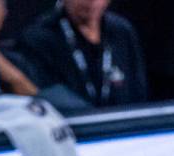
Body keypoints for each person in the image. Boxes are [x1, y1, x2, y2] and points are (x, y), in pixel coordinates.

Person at [14, 0, 148, 110]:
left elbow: (140, 94)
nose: (91, 2)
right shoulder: (39, 38)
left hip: (126, 132)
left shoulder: (122, 31)